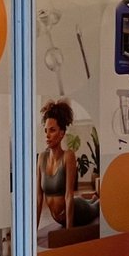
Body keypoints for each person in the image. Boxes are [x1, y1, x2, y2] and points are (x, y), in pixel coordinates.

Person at [37, 99, 96, 245]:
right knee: (91, 200)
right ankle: (93, 198)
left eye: (52, 130)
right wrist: (33, 231)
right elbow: (38, 197)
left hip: (78, 210)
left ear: (62, 133)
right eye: (46, 130)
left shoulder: (68, 156)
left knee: (95, 207)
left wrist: (69, 234)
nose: (47, 135)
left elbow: (69, 196)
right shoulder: (41, 158)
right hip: (59, 217)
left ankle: (95, 200)